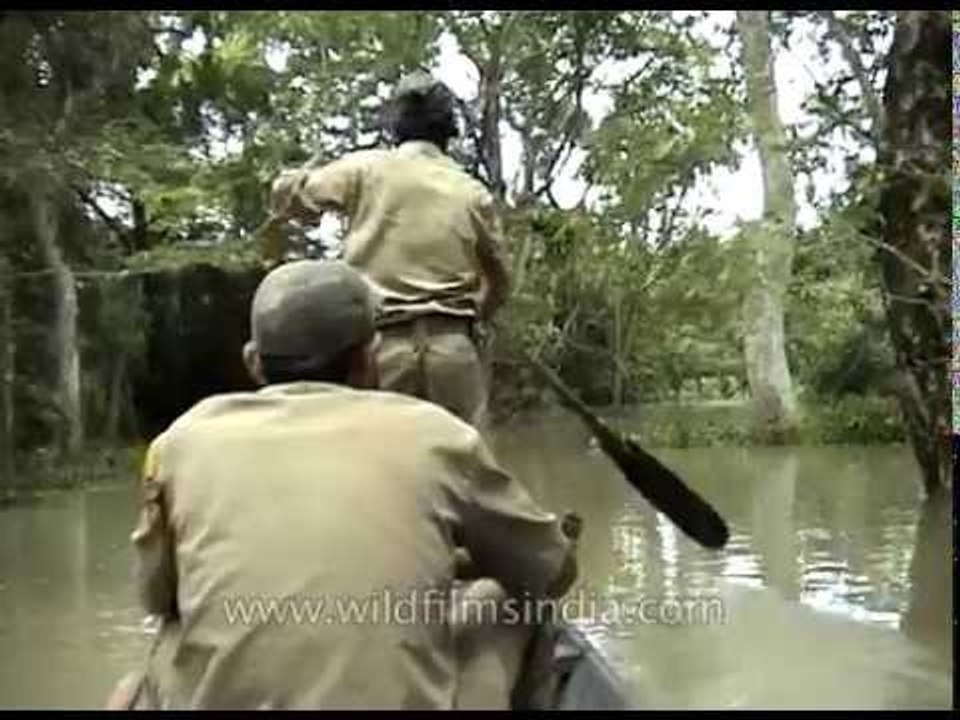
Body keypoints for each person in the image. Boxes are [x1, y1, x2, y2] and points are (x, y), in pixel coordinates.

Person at [112, 260, 576, 710]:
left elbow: (156, 597)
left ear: (254, 363)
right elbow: (550, 570)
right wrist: (466, 564)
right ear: (367, 360)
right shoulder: (438, 437)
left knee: (150, 666)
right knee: (510, 601)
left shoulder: (182, 443)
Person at [263, 72, 510, 430]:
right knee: (464, 473)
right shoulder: (472, 191)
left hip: (381, 352)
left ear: (395, 126)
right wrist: (477, 321)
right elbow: (500, 282)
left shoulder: (364, 169)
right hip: (452, 350)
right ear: (449, 132)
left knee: (379, 470)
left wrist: (288, 182)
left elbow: (294, 200)